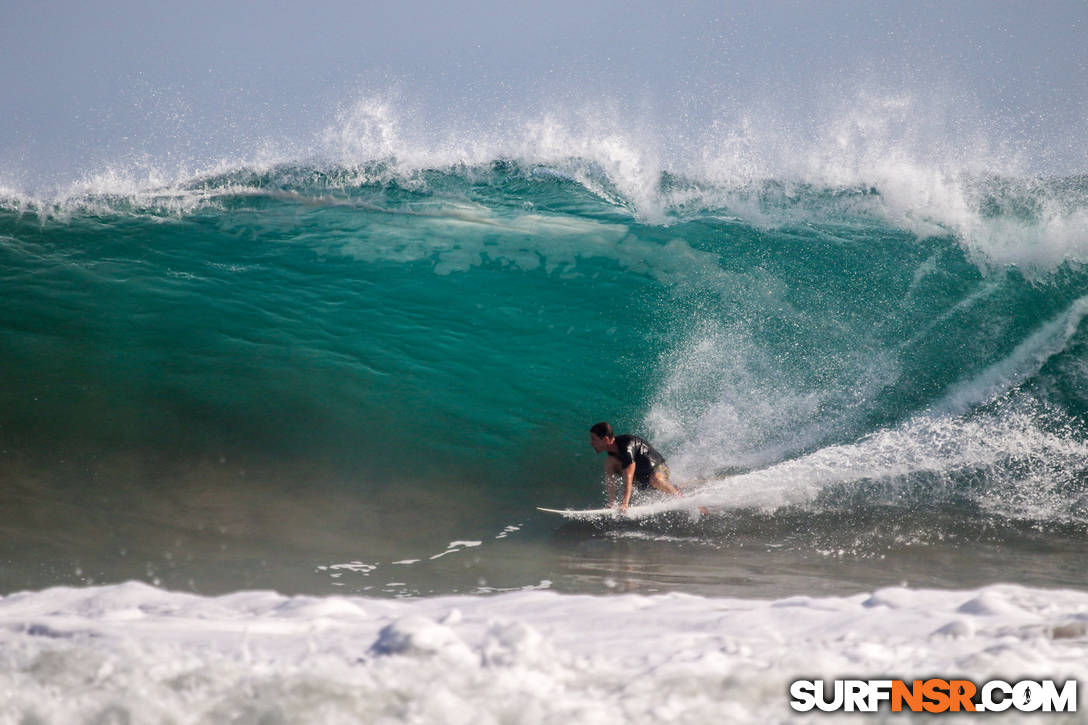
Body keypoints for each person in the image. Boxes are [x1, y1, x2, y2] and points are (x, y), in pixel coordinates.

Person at [588, 421, 682, 513]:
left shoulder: (627, 447)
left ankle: (679, 497)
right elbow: (617, 478)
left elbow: (628, 478)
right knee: (609, 462)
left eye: (594, 439)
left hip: (660, 469)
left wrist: (624, 504)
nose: (591, 443)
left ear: (605, 439)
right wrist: (612, 504)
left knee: (655, 479)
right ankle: (611, 503)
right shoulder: (613, 450)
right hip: (643, 479)